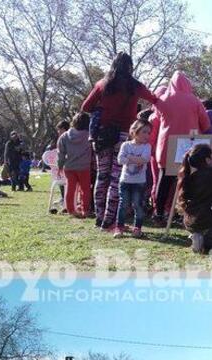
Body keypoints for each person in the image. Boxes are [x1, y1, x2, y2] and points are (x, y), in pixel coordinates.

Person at [81, 52, 157, 230]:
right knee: (116, 179)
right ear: (130, 67)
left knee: (102, 176)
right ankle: (109, 220)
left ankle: (100, 218)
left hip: (101, 136)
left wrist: (102, 108)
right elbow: (154, 99)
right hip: (123, 136)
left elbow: (85, 107)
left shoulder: (102, 84)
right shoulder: (135, 86)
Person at [152, 71, 211, 221]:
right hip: (188, 148)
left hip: (165, 147)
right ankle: (185, 214)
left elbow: (156, 120)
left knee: (164, 181)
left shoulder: (162, 100)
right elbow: (206, 125)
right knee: (187, 182)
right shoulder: (195, 101)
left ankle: (158, 213)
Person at [113, 119, 152, 238]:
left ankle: (137, 228)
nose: (147, 135)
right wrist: (136, 159)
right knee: (123, 204)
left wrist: (129, 157)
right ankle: (119, 227)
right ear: (135, 132)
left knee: (138, 205)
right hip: (125, 181)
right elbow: (120, 160)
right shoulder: (126, 145)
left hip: (139, 182)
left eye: (149, 133)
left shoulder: (147, 146)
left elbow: (145, 159)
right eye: (144, 132)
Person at [57, 112, 93, 218]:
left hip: (69, 166)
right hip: (84, 166)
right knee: (85, 189)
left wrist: (60, 165)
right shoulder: (89, 135)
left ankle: (70, 209)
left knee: (70, 189)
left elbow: (61, 153)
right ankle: (85, 209)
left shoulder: (64, 136)